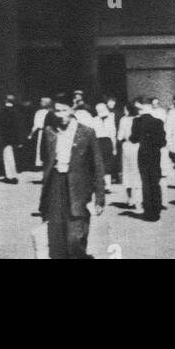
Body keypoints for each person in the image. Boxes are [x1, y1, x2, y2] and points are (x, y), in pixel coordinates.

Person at [39, 96, 105, 259]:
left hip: (78, 188)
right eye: (57, 111)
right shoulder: (49, 132)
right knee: (56, 237)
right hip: (55, 185)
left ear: (72, 110)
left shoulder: (86, 133)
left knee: (76, 237)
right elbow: (44, 158)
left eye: (64, 110)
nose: (60, 115)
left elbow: (97, 166)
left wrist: (100, 198)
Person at [131, 97, 167, 221]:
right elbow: (163, 142)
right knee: (155, 181)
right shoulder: (159, 122)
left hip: (143, 154)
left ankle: (148, 211)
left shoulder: (136, 121)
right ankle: (157, 210)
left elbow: (133, 138)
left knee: (145, 182)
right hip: (155, 154)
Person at [117, 101, 140, 209]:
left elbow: (120, 136)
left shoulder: (124, 120)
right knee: (138, 172)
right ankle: (139, 198)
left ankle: (130, 198)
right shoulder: (139, 119)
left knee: (127, 172)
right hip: (138, 147)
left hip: (127, 146)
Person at [0, 96, 23, 183]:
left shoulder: (2, 111)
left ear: (5, 100)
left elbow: (0, 125)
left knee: (7, 157)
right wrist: (19, 140)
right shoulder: (16, 111)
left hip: (5, 138)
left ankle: (10, 176)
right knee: (13, 157)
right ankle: (13, 174)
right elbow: (18, 126)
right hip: (14, 138)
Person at [93, 100, 117, 186]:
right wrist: (114, 148)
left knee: (105, 163)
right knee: (104, 163)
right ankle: (106, 184)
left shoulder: (108, 119)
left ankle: (106, 184)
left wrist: (114, 147)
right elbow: (113, 134)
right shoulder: (108, 119)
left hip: (105, 142)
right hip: (103, 141)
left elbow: (113, 134)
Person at [29, 97, 52, 171]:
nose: (40, 103)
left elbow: (36, 125)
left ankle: (40, 163)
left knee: (40, 147)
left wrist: (31, 134)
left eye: (42, 102)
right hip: (48, 132)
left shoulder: (39, 112)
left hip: (41, 132)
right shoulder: (51, 112)